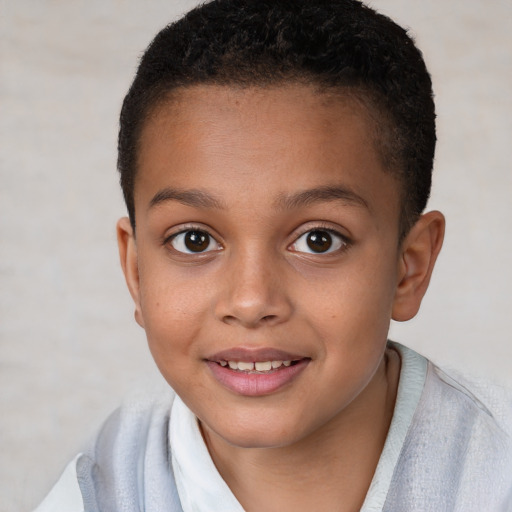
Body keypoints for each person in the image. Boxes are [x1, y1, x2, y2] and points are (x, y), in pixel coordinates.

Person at [35, 0, 512, 510]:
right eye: (194, 240)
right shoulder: (96, 493)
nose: (250, 300)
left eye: (318, 240)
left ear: (408, 267)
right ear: (136, 272)